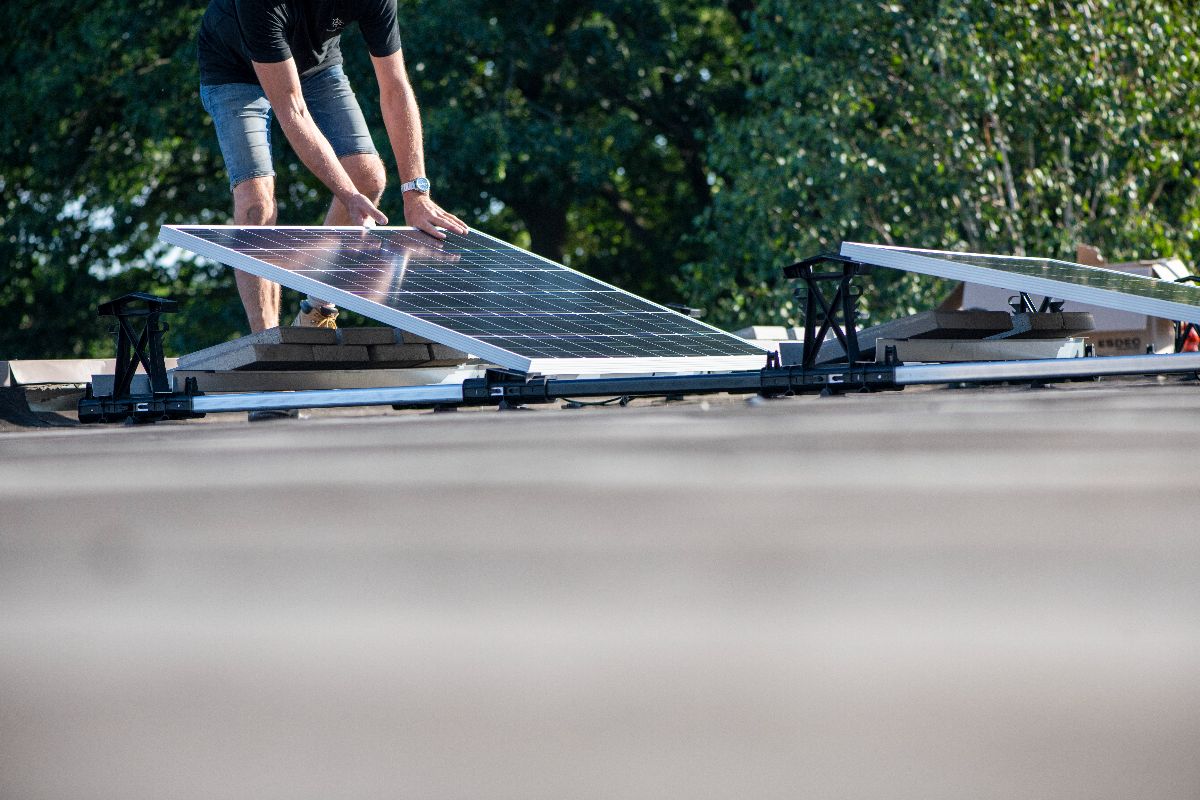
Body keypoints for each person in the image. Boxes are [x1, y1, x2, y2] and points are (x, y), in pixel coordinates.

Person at [197, 0, 467, 331]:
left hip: (315, 68)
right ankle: (266, 341)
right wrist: (345, 192)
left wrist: (415, 193)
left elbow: (395, 87)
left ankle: (315, 312)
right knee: (256, 205)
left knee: (367, 176)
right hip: (233, 71)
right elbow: (292, 109)